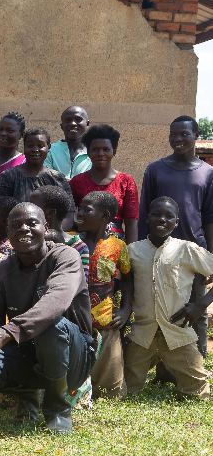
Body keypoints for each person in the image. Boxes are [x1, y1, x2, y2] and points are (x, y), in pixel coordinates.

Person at [0, 203, 96, 434]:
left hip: (73, 355)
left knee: (51, 325)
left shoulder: (65, 257)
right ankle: (26, 397)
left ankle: (58, 410)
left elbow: (55, 303)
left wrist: (5, 333)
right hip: (27, 352)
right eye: (16, 225)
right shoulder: (0, 272)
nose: (23, 229)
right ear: (8, 232)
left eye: (31, 223)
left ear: (45, 228)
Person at [137, 115, 213, 357]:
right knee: (159, 307)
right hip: (158, 251)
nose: (178, 139)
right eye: (173, 135)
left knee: (195, 308)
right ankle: (162, 364)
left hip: (194, 252)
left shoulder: (207, 173)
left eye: (184, 134)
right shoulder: (155, 170)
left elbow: (209, 217)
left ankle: (197, 360)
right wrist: (141, 250)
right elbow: (144, 212)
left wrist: (210, 256)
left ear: (196, 136)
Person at [124, 197, 212, 399]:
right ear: (147, 218)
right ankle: (161, 372)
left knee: (197, 393)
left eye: (169, 216)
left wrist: (200, 305)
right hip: (142, 335)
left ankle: (174, 374)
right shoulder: (133, 251)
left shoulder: (186, 249)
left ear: (177, 222)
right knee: (124, 390)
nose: (162, 219)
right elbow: (125, 285)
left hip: (177, 334)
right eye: (156, 214)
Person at [75, 191, 133, 398]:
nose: (79, 213)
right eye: (79, 208)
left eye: (86, 210)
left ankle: (105, 388)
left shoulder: (117, 246)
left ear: (105, 216)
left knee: (111, 386)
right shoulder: (72, 242)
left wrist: (125, 309)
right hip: (74, 319)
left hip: (104, 320)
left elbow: (128, 278)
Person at [68, 124, 139, 243]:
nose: (100, 153)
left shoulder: (126, 181)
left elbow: (131, 221)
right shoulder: (77, 181)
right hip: (85, 242)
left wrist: (131, 250)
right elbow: (68, 217)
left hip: (115, 243)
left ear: (114, 152)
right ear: (88, 152)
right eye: (95, 149)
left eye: (106, 149)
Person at [0, 127, 72, 202]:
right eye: (30, 146)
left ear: (49, 147)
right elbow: (1, 207)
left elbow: (69, 209)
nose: (35, 150)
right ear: (24, 147)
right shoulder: (8, 176)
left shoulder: (58, 178)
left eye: (40, 146)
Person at [29, 186, 90, 280]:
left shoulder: (78, 246)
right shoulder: (28, 238)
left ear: (51, 213)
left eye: (34, 206)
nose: (28, 209)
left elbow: (81, 281)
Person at [45, 106, 91, 180]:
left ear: (87, 124)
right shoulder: (50, 151)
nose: (72, 123)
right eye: (68, 120)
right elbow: (47, 178)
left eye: (78, 119)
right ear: (61, 126)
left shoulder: (93, 152)